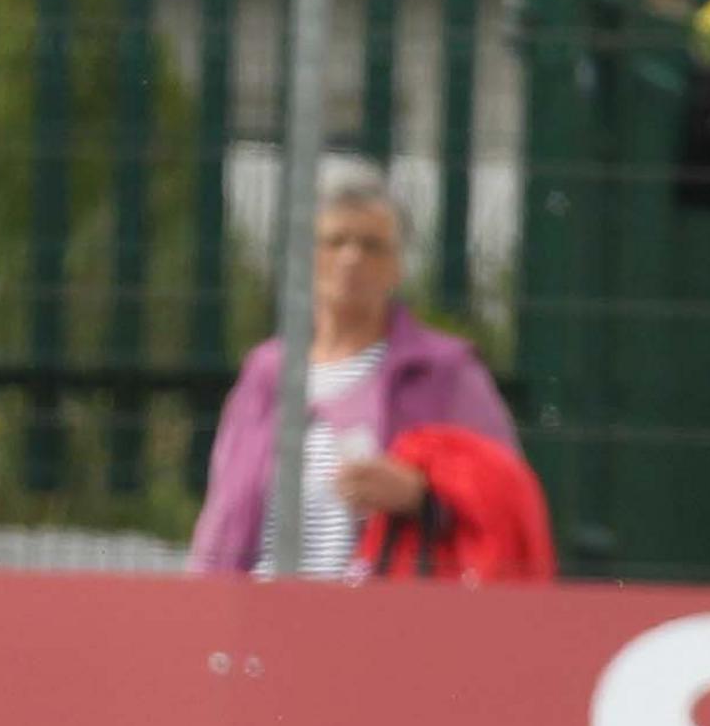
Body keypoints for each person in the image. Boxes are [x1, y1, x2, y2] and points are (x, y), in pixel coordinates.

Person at [189, 155, 521, 580]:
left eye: (371, 245)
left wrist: (423, 496)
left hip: (384, 619)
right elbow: (223, 512)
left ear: (398, 265)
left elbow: (505, 496)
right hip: (261, 612)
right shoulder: (266, 372)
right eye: (335, 241)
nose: (351, 258)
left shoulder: (443, 372)